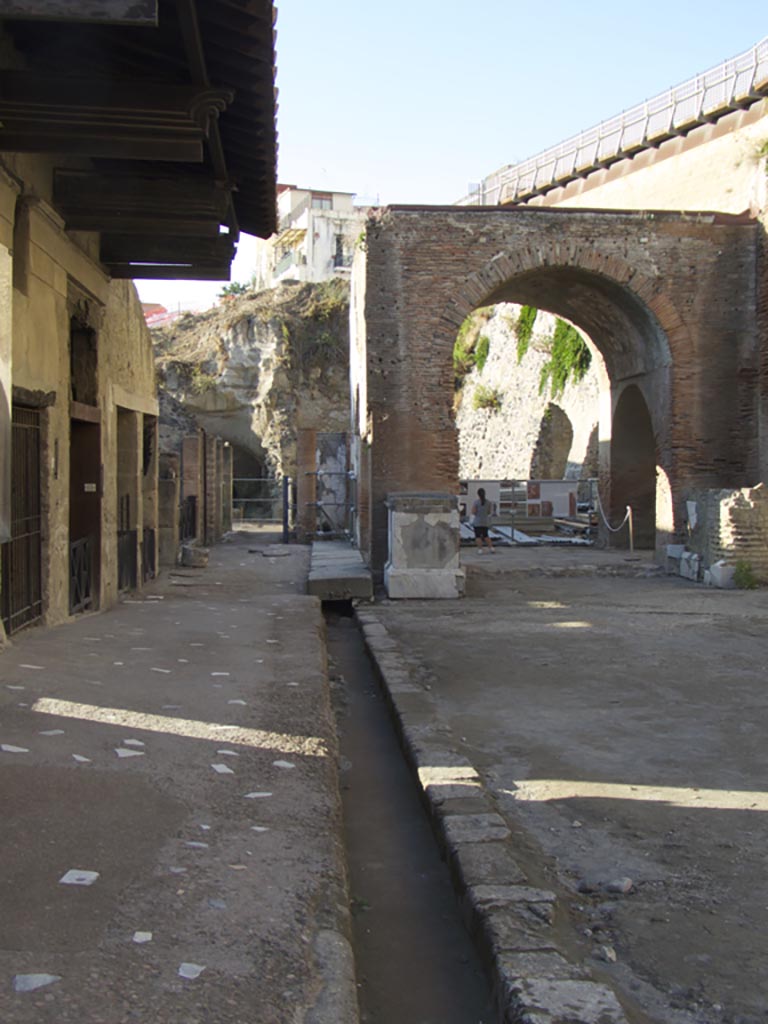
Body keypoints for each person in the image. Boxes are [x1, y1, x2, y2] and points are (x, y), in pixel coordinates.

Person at [471, 487, 495, 554]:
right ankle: (491, 548)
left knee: (478, 536)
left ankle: (480, 549)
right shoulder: (488, 502)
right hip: (485, 521)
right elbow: (489, 512)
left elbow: (473, 511)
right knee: (486, 535)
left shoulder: (476, 502)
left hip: (477, 521)